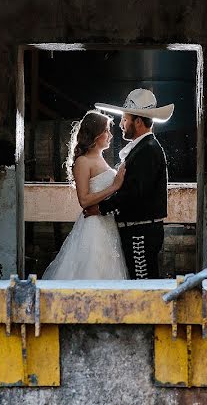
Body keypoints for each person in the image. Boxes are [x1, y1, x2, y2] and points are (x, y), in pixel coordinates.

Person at [85, 88, 173, 280]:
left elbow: (133, 193)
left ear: (138, 122)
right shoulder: (143, 148)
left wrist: (101, 208)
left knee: (143, 287)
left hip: (140, 233)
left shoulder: (147, 150)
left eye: (125, 119)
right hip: (137, 230)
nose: (121, 124)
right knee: (139, 283)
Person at [41, 111, 129, 280]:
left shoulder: (101, 159)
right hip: (93, 227)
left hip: (107, 223)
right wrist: (114, 186)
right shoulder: (83, 161)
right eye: (106, 131)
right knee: (92, 272)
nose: (110, 135)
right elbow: (84, 200)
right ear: (95, 135)